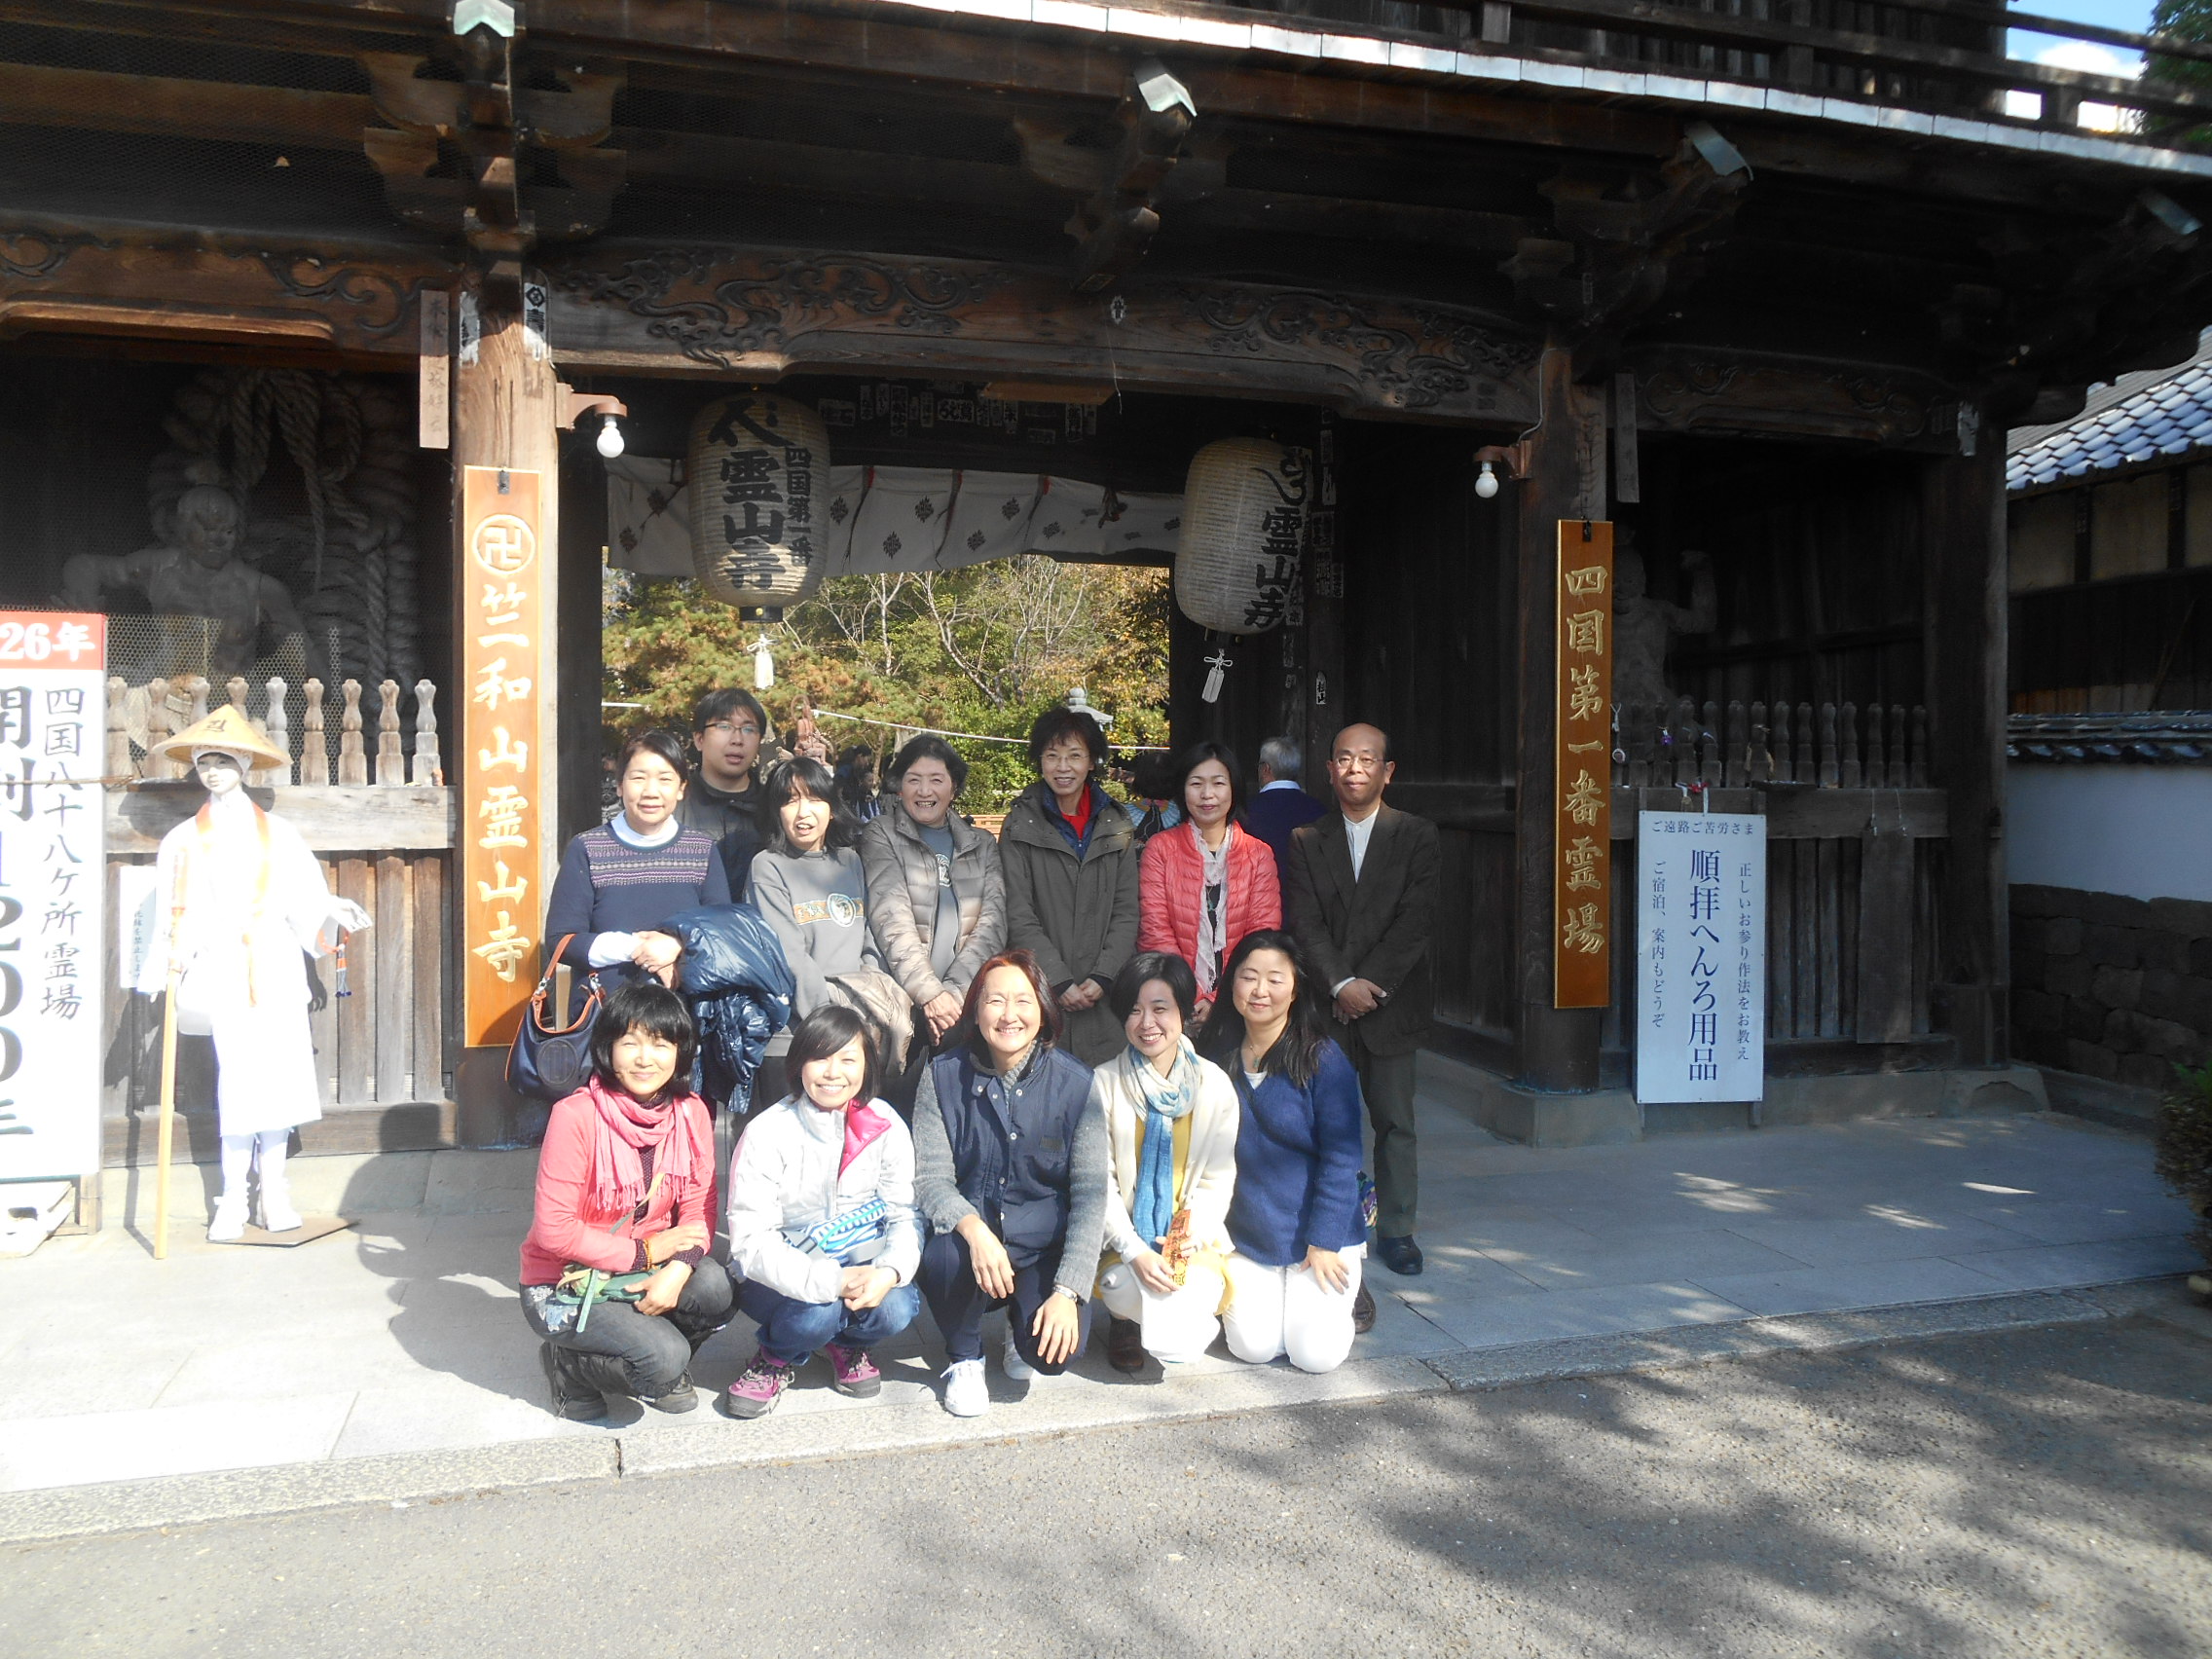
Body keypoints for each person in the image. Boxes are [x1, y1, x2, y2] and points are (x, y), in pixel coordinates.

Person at [135, 706, 370, 1241]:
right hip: (223, 964)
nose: (213, 771)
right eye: (205, 763)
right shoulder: (183, 839)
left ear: (243, 765)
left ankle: (275, 1190)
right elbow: (175, 910)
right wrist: (171, 958)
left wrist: (328, 909)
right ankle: (233, 1196)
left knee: (281, 1074)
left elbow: (303, 895)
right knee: (238, 1078)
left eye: (223, 762)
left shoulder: (278, 833)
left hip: (276, 961)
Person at [519, 980, 734, 1419]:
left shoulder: (691, 1110)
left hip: (645, 1267)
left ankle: (642, 1341)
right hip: (567, 1279)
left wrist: (677, 1270)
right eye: (630, 1042)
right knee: (663, 1360)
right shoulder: (575, 1115)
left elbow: (699, 1209)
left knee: (719, 1290)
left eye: (660, 1044)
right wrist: (645, 1253)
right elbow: (554, 1230)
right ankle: (568, 1367)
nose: (644, 1058)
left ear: (680, 1052)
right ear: (608, 1048)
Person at [912, 951, 1106, 1418]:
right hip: (970, 1244)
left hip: (1041, 1247)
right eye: (995, 1000)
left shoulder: (1077, 1084)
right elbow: (931, 1179)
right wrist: (975, 1231)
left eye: (1023, 1000)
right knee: (943, 1255)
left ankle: (1022, 1324)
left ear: (1043, 1010)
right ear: (976, 1011)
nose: (1009, 1014)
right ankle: (964, 1356)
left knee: (1053, 1355)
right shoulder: (942, 1076)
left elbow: (1090, 1197)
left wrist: (1068, 1292)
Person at [1282, 722, 1440, 1279]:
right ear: (1329, 769)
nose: (1355, 769)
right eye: (1344, 759)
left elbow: (1415, 922)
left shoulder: (1416, 835)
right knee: (1325, 1121)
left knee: (1395, 1122)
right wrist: (1339, 984)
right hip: (1328, 1006)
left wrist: (1367, 985)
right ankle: (1331, 1223)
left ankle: (1397, 1229)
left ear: (1387, 771)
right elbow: (1305, 922)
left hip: (1391, 1004)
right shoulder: (1306, 839)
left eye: (1367, 759)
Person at [719, 1006, 922, 1419]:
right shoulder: (767, 1132)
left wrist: (889, 1272)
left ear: (867, 1066)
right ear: (799, 1064)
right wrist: (829, 1281)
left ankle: (845, 1344)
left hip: (860, 1260)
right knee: (818, 1312)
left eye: (848, 1059)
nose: (833, 1073)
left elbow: (904, 1213)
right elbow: (751, 1241)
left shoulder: (885, 1124)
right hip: (778, 1274)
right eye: (820, 1057)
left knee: (897, 1308)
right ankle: (774, 1357)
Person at [1198, 932, 1366, 1375]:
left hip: (1320, 1235)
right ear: (1232, 983)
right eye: (1249, 977)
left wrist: (1325, 1240)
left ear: (1295, 990)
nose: (1260, 990)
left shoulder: (1322, 1059)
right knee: (1253, 1347)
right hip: (1251, 1236)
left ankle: (1345, 1294)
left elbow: (1342, 1159)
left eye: (1275, 979)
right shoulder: (1214, 1057)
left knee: (1314, 1356)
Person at [1092, 952, 1239, 1374]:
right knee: (1122, 1286)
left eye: (1160, 1009)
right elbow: (1099, 1182)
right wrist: (1134, 1250)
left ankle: (1165, 1323)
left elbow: (1217, 1178)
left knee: (1189, 1306)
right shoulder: (1104, 1083)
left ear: (1183, 1012)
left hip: (1188, 1240)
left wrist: (1195, 1233)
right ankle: (1130, 1320)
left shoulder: (1214, 1084)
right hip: (1125, 1242)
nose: (1147, 1023)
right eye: (1134, 1010)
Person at [746, 756, 911, 1100]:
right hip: (798, 1036)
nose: (803, 812)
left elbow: (868, 938)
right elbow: (789, 956)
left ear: (832, 808)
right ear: (776, 811)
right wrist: (833, 1026)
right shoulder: (767, 866)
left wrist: (867, 998)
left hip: (854, 1028)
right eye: (790, 801)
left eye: (814, 799)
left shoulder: (848, 860)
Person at [998, 704, 1141, 1066]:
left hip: (1105, 1000)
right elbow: (1018, 912)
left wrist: (1103, 975)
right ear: (1040, 761)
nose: (1063, 767)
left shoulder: (1117, 823)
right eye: (1052, 756)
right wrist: (1058, 981)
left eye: (1075, 756)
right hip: (1041, 997)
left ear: (1091, 761)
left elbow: (1127, 911)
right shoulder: (1019, 825)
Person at [862, 734, 1007, 1081]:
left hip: (961, 1009)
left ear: (953, 788)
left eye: (936, 780)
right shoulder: (881, 833)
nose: (924, 791)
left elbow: (993, 924)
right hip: (900, 1006)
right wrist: (929, 994)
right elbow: (890, 917)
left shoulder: (982, 844)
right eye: (914, 779)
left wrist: (951, 997)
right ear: (900, 787)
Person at [545, 729, 730, 990]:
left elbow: (722, 931)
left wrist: (676, 945)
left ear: (681, 789)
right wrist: (636, 947)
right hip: (605, 1009)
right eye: (639, 778)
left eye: (665, 779)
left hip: (682, 1009)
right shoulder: (587, 848)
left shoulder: (702, 850)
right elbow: (561, 940)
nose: (651, 792)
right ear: (620, 785)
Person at [1137, 741, 1280, 1022]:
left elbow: (1262, 935)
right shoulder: (1160, 849)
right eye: (1196, 784)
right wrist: (1192, 995)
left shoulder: (1258, 855)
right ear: (1182, 789)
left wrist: (1217, 1000)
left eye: (1218, 783)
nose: (1207, 794)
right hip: (1175, 1003)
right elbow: (1155, 931)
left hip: (1240, 1004)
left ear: (1233, 788)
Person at [676, 688, 771, 896]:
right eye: (724, 726)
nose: (737, 739)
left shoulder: (774, 808)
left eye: (749, 729)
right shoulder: (673, 806)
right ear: (699, 739)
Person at [1243, 736, 1327, 910]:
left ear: (1265, 769)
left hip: (1259, 908)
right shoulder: (1320, 810)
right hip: (1309, 910)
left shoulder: (1246, 811)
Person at [835, 743, 884, 823]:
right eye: (867, 760)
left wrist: (862, 797)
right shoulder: (845, 771)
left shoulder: (854, 772)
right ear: (860, 756)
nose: (867, 763)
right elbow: (839, 791)